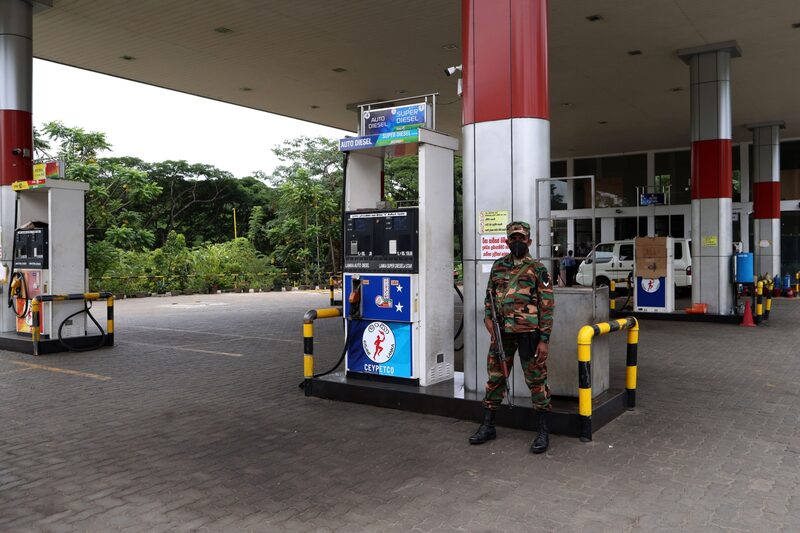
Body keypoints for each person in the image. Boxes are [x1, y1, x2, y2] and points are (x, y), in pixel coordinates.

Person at [469, 221, 555, 454]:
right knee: (495, 378)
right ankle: (488, 425)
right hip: (502, 333)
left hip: (529, 334)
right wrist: (488, 318)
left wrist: (544, 339)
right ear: (507, 242)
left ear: (529, 241)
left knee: (536, 380)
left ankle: (543, 431)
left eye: (521, 238)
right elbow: (489, 296)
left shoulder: (538, 269)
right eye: (513, 238)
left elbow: (546, 306)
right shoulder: (498, 266)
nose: (517, 242)